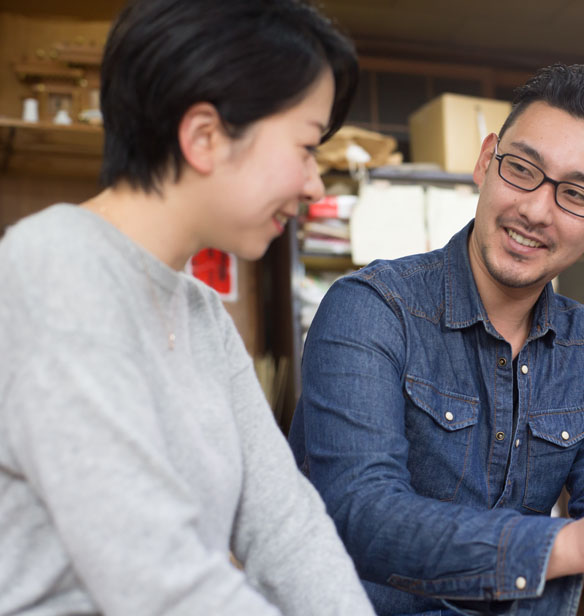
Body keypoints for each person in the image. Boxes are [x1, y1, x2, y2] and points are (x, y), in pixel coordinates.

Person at [288, 63, 584, 615]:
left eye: (576, 194)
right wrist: (568, 542)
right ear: (486, 160)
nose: (535, 210)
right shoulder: (372, 309)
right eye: (522, 169)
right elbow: (361, 514)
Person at [0, 1, 374, 614]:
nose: (314, 183)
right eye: (306, 147)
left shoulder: (201, 312)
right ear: (204, 137)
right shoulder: (53, 265)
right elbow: (156, 576)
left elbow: (287, 529)